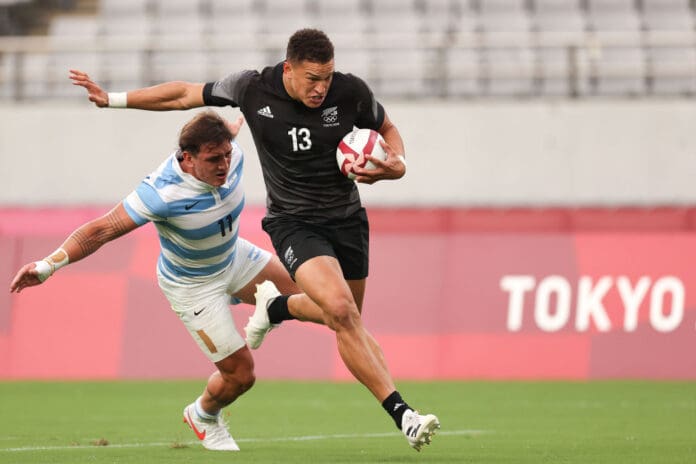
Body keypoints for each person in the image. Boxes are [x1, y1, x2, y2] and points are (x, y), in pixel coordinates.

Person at [69, 28, 440, 452]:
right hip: (294, 223)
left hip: (348, 221)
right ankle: (404, 414)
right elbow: (184, 94)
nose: (321, 88)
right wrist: (113, 99)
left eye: (327, 78)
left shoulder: (350, 92)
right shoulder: (251, 87)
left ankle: (275, 307)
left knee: (349, 317)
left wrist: (398, 164)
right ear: (289, 68)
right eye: (312, 78)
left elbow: (386, 128)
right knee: (340, 311)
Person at [9, 110, 327, 452]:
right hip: (193, 286)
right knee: (241, 375)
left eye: (226, 154)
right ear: (188, 158)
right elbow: (101, 230)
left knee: (318, 295)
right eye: (213, 159)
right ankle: (203, 415)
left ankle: (271, 310)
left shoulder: (233, 154)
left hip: (234, 258)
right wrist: (48, 265)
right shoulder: (161, 194)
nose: (224, 165)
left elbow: (229, 134)